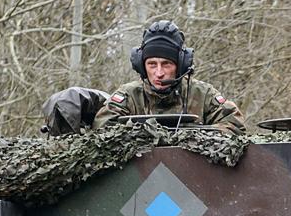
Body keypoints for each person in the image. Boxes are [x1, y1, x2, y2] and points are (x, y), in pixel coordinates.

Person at [42, 20, 248, 134]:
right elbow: (104, 128)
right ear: (142, 65)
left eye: (166, 64)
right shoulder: (128, 95)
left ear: (181, 65)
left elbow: (235, 125)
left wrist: (192, 138)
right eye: (152, 64)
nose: (159, 72)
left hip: (195, 181)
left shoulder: (202, 94)